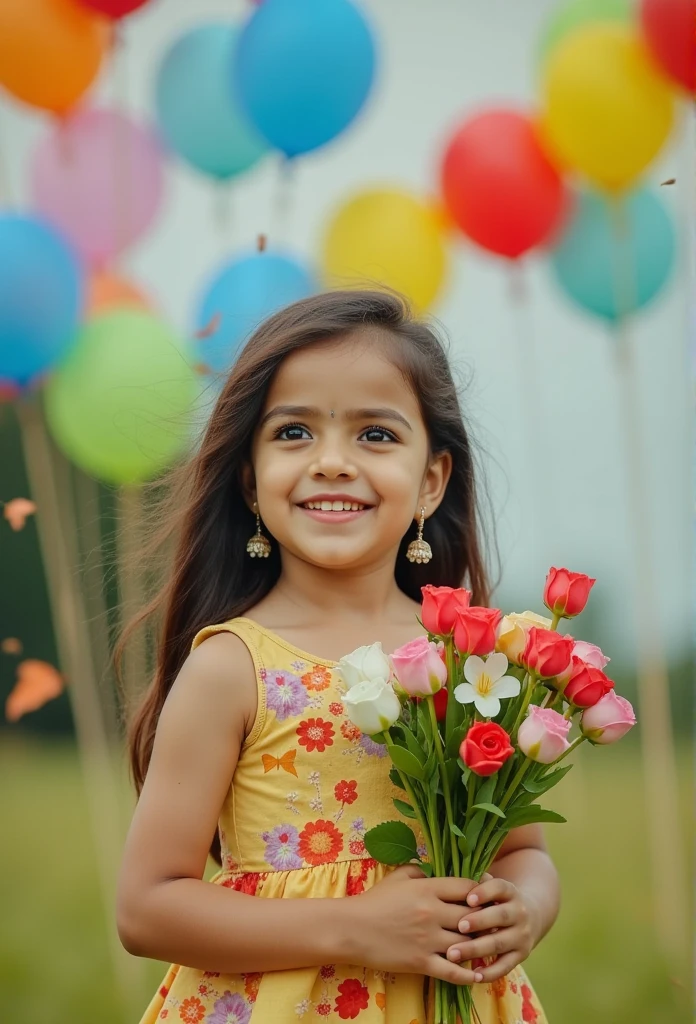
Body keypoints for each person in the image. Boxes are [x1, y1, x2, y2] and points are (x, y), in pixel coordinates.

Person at [117, 290, 559, 1024]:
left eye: (376, 436)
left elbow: (524, 854)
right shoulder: (232, 667)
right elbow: (146, 907)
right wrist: (359, 927)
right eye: (293, 432)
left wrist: (526, 908)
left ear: (431, 480)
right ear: (249, 480)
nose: (331, 463)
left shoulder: (474, 662)